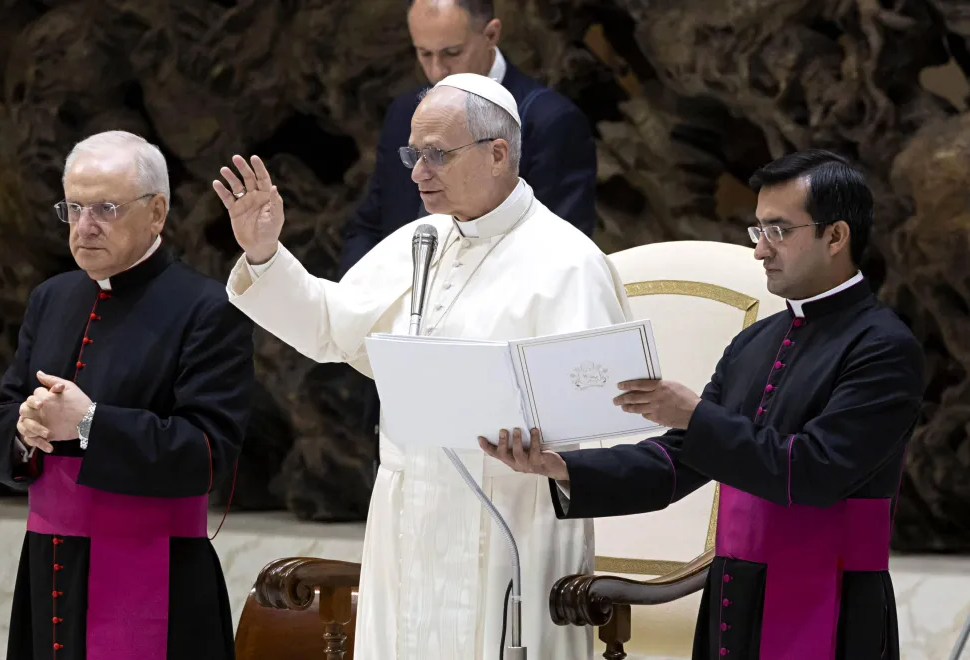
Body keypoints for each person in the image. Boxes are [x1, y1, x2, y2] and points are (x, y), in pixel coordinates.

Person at [214, 74, 629, 660]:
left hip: (511, 514)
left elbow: (601, 413)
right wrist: (263, 252)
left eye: (436, 154)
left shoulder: (567, 264)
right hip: (409, 517)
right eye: (413, 153)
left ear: (498, 153)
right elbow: (330, 328)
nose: (416, 172)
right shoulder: (422, 240)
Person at [481, 150, 926, 659]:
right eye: (757, 231)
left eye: (778, 230)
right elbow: (677, 461)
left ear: (836, 236)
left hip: (833, 600)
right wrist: (560, 467)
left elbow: (816, 471)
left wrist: (696, 416)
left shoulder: (883, 347)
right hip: (734, 594)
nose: (760, 251)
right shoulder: (754, 342)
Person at [0, 131, 255, 660]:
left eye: (106, 208)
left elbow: (209, 453)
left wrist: (90, 424)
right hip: (49, 565)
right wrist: (23, 429)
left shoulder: (207, 308)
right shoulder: (51, 297)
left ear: (156, 213)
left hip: (156, 570)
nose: (85, 227)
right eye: (74, 208)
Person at [342, 0, 600, 467]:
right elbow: (374, 218)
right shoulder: (408, 110)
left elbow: (556, 243)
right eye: (423, 54)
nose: (436, 69)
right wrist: (369, 300)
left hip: (496, 373)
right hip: (410, 345)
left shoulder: (547, 118)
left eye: (451, 53)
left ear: (492, 34)